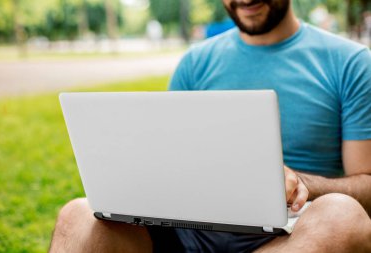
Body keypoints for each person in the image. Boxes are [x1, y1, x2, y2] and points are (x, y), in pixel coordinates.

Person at [49, 0, 371, 252]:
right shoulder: (195, 63)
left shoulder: (351, 63)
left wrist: (302, 183)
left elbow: (367, 185)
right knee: (77, 214)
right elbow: (166, 156)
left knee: (342, 217)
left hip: (292, 235)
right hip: (187, 232)